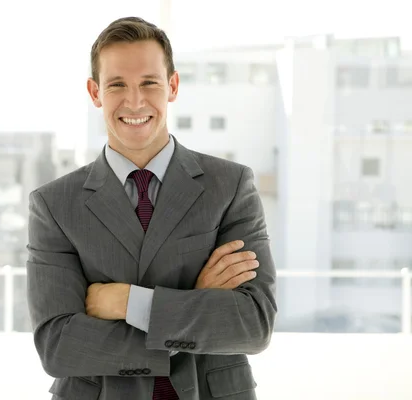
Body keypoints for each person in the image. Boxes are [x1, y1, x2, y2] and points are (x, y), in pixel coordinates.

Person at [26, 16, 277, 400]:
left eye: (149, 83)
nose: (135, 101)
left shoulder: (229, 186)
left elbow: (253, 324)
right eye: (117, 85)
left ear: (172, 86)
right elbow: (59, 346)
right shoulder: (54, 204)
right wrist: (195, 299)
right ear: (95, 93)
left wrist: (130, 303)